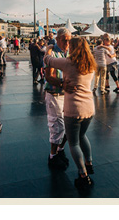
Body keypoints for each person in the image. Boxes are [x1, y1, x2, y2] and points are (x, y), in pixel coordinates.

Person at [44, 36, 97, 191]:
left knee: (73, 143)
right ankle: (89, 163)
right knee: (82, 136)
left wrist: (49, 46)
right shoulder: (90, 64)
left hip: (73, 108)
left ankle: (83, 175)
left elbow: (47, 59)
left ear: (73, 48)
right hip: (89, 107)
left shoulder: (68, 63)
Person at [43, 27, 72, 170]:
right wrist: (62, 83)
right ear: (58, 39)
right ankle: (52, 155)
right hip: (55, 93)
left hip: (67, 94)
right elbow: (49, 76)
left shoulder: (69, 52)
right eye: (64, 40)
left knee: (69, 124)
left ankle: (60, 148)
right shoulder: (52, 53)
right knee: (56, 125)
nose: (67, 43)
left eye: (69, 40)